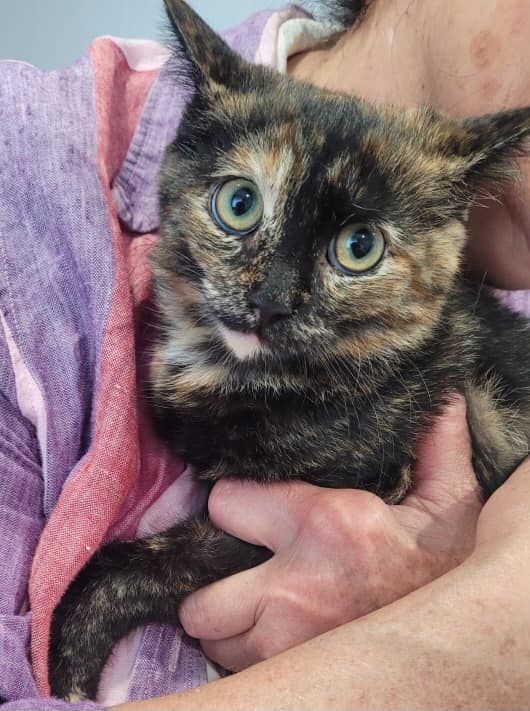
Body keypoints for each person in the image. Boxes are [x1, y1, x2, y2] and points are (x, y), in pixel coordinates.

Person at [0, 1, 528, 710]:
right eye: (240, 208)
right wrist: (469, 637)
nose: (272, 299)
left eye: (358, 248)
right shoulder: (23, 180)